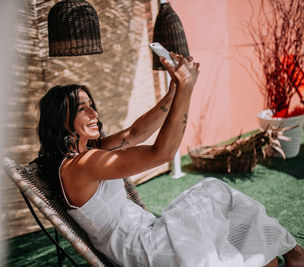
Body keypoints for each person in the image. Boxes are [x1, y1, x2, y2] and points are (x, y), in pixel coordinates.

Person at [34, 53, 303, 267]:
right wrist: (187, 88)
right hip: (145, 248)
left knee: (222, 204)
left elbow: (135, 133)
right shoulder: (83, 165)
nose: (94, 113)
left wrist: (174, 90)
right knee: (214, 193)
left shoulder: (86, 152)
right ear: (62, 120)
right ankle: (293, 252)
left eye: (92, 105)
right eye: (83, 109)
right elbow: (161, 153)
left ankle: (288, 251)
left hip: (148, 231)